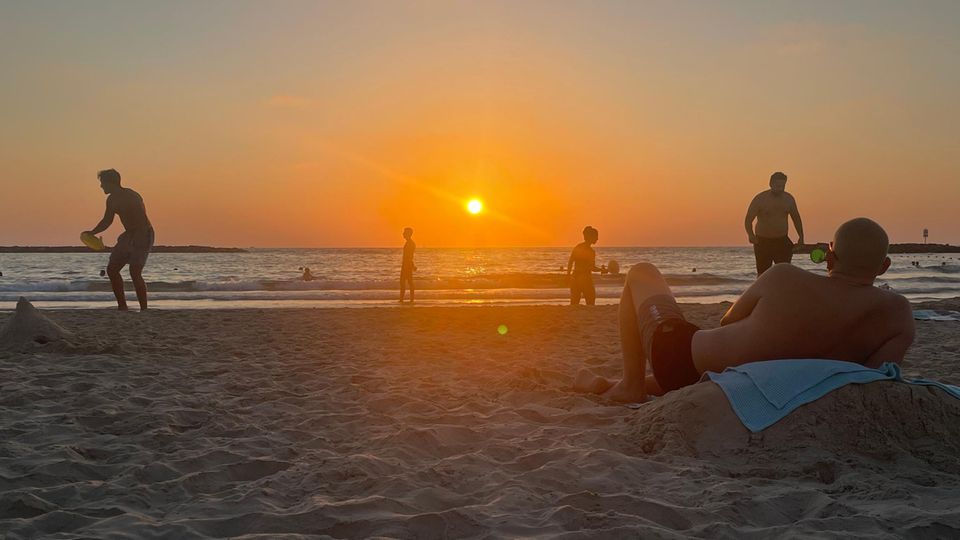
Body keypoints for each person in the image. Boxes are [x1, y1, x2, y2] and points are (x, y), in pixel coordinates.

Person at [579, 218, 915, 403]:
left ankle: (629, 386)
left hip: (681, 360)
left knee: (641, 272)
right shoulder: (899, 314)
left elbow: (729, 321)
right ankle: (606, 383)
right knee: (704, 365)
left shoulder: (784, 276)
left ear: (829, 257)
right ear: (883, 266)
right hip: (738, 380)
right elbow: (874, 376)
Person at [83, 169, 154, 311]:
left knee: (135, 272)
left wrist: (136, 241)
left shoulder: (132, 196)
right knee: (112, 269)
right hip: (129, 234)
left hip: (143, 233)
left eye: (103, 183)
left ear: (111, 183)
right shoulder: (111, 199)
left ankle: (144, 309)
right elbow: (107, 221)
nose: (101, 186)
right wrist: (92, 232)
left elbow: (141, 220)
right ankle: (122, 306)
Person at [744, 171, 804, 275]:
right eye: (778, 185)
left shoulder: (789, 199)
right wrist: (750, 234)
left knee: (784, 274)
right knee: (763, 275)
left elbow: (796, 219)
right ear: (771, 184)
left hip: (782, 241)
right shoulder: (760, 199)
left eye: (783, 186)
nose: (780, 188)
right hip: (762, 242)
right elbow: (748, 219)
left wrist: (801, 236)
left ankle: (783, 291)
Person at [567, 226, 603, 305]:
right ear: (591, 237)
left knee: (574, 302)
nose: (597, 239)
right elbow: (592, 268)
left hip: (575, 277)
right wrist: (602, 270)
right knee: (591, 301)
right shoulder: (591, 251)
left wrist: (568, 275)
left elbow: (570, 261)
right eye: (596, 236)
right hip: (585, 278)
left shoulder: (578, 247)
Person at [400, 227, 416, 303]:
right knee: (406, 282)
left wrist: (411, 265)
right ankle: (404, 299)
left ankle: (409, 299)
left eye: (404, 232)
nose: (403, 234)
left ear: (408, 234)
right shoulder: (409, 243)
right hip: (406, 264)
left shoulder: (411, 243)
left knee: (407, 282)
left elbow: (410, 256)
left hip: (407, 265)